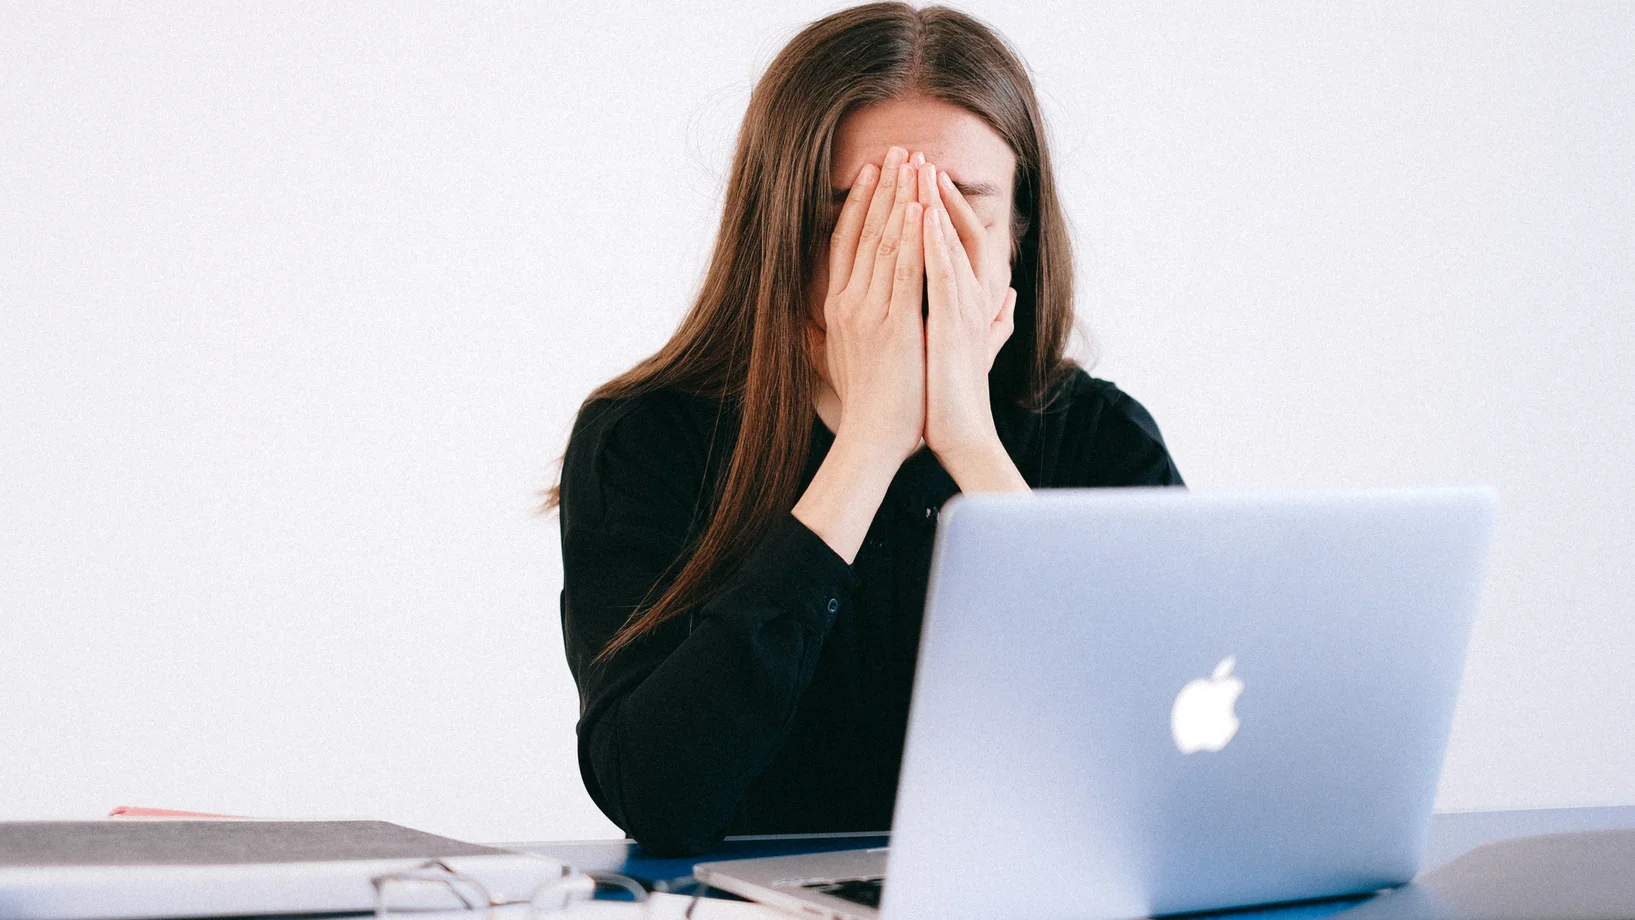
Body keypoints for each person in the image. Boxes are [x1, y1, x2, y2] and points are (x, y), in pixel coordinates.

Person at [544, 2, 1183, 858]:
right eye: (859, 213)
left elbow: (1157, 768)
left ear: (1018, 235)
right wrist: (869, 446)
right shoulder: (644, 439)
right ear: (782, 231)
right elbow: (660, 797)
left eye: (960, 211)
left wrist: (967, 442)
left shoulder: (1100, 437)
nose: (913, 252)